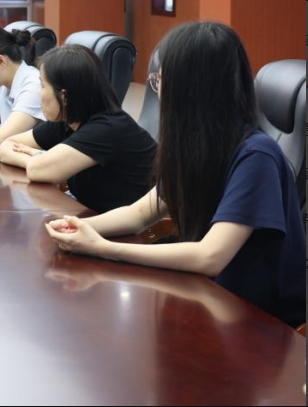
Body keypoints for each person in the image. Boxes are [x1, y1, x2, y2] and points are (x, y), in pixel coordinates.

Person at [45, 22, 305, 327]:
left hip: (260, 322)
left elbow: (210, 256)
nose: (158, 91)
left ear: (192, 88)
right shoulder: (196, 148)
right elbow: (139, 214)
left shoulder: (256, 156)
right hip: (208, 296)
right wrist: (75, 227)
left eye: (161, 81)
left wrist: (103, 249)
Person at [0, 45, 157, 213]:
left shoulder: (106, 129)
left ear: (64, 96)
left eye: (42, 86)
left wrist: (38, 157)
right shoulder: (68, 122)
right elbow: (6, 146)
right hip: (91, 214)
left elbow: (39, 170)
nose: (38, 93)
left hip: (137, 227)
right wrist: (38, 158)